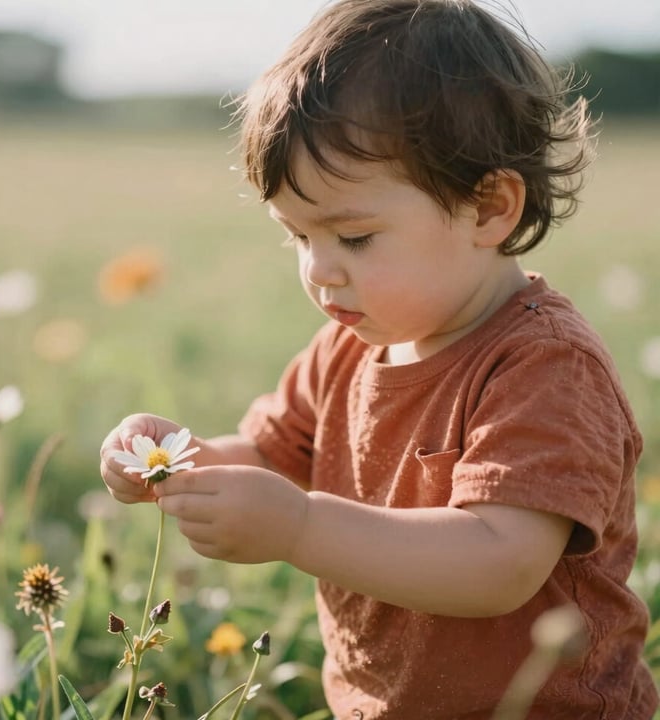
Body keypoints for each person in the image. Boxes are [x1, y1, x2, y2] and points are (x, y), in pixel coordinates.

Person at [100, 1, 659, 717]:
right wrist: (180, 460)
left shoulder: (544, 366)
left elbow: (500, 562)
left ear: (490, 209)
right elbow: (271, 459)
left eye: (354, 238)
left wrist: (298, 527)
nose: (321, 271)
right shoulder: (346, 347)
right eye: (299, 238)